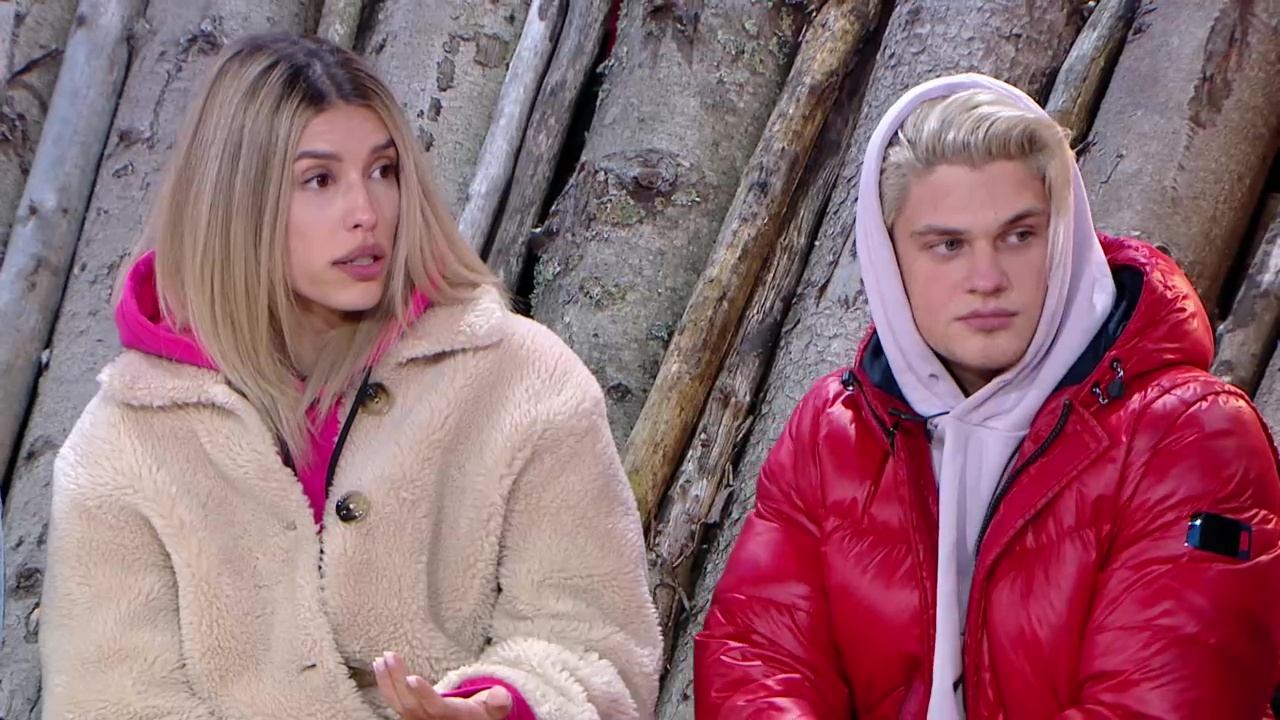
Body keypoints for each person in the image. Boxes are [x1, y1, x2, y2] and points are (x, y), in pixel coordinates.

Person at [39, 33, 660, 720]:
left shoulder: (526, 383)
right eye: (319, 180)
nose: (366, 212)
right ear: (236, 204)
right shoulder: (122, 444)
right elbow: (110, 699)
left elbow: (595, 645)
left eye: (383, 171)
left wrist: (498, 708)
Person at [695, 73, 1280, 718]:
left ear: (1064, 238)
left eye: (1018, 236)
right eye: (948, 245)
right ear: (889, 259)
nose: (987, 278)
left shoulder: (1190, 435)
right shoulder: (834, 431)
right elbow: (757, 652)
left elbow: (1162, 705)